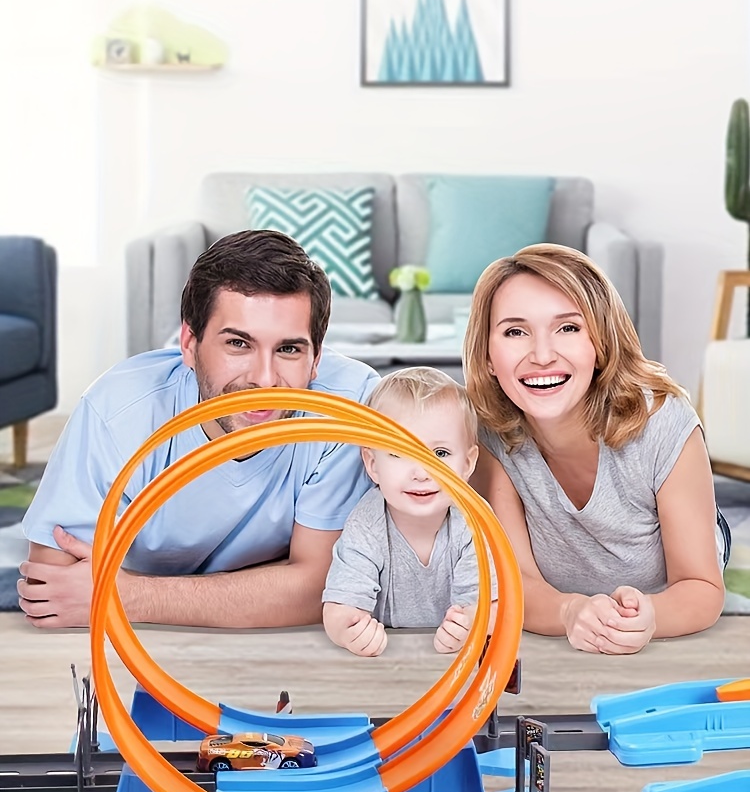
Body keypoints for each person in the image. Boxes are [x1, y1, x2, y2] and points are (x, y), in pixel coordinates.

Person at [17, 230, 380, 630]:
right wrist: (267, 585)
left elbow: (324, 589)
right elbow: (51, 592)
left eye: (288, 349)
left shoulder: (346, 406)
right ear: (189, 342)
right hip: (143, 643)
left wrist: (128, 594)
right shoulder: (119, 410)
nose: (263, 379)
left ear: (316, 359)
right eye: (239, 344)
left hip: (182, 624)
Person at [464, 243, 729, 656]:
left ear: (600, 344)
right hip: (577, 582)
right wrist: (570, 611)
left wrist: (651, 617)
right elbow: (516, 584)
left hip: (661, 572)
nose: (542, 355)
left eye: (568, 328)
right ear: (488, 356)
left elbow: (702, 588)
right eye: (516, 331)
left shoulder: (663, 421)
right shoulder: (487, 436)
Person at [322, 367, 497, 657]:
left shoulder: (474, 520)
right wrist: (350, 631)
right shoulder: (367, 523)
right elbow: (338, 608)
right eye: (399, 452)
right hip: (386, 662)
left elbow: (493, 607)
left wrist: (470, 626)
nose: (421, 472)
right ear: (372, 463)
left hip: (453, 667)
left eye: (439, 454)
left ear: (467, 464)